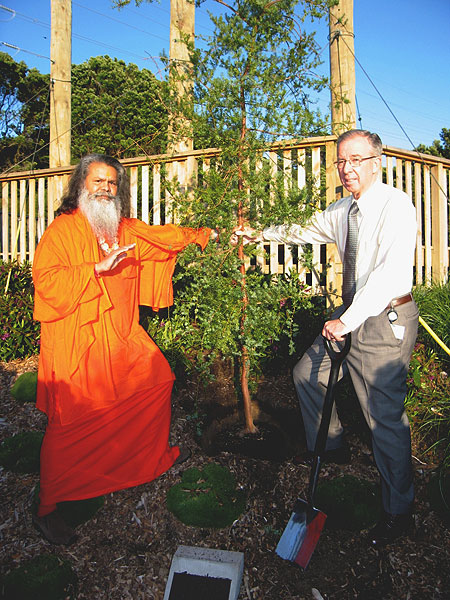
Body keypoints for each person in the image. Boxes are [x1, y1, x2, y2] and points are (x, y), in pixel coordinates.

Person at [236, 130, 418, 545]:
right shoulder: (342, 210)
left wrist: (347, 320)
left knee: (383, 417)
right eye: (341, 161)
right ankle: (333, 446)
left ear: (377, 161)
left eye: (356, 159)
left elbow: (390, 274)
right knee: (307, 375)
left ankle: (399, 510)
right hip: (351, 314)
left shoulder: (396, 207)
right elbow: (300, 229)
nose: (347, 168)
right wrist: (256, 234)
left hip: (384, 319)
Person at [32, 154, 212, 545]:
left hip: (121, 335)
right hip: (78, 340)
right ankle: (48, 508)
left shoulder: (124, 228)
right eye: (98, 181)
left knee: (156, 382)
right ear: (81, 184)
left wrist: (207, 235)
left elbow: (161, 238)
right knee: (69, 424)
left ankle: (131, 465)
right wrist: (94, 269)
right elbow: (45, 280)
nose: (105, 189)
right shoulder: (63, 230)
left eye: (112, 183)